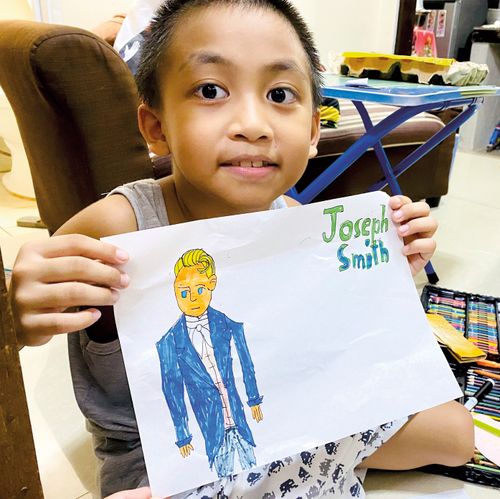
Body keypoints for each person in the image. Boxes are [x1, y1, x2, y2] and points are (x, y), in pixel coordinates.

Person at [9, 0, 474, 498]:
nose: (252, 124)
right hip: (170, 460)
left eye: (280, 94)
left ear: (314, 130)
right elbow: (29, 314)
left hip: (294, 411)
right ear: (156, 127)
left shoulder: (297, 222)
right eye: (211, 91)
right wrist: (17, 311)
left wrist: (388, 271)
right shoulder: (119, 225)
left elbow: (333, 344)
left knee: (457, 433)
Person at [157, 248, 263, 478]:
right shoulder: (169, 342)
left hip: (239, 418)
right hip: (211, 427)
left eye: (200, 289)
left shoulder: (228, 324)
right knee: (222, 478)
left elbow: (247, 363)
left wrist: (254, 399)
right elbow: (172, 388)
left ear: (212, 283)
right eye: (184, 293)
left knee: (256, 468)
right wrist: (183, 434)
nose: (193, 298)